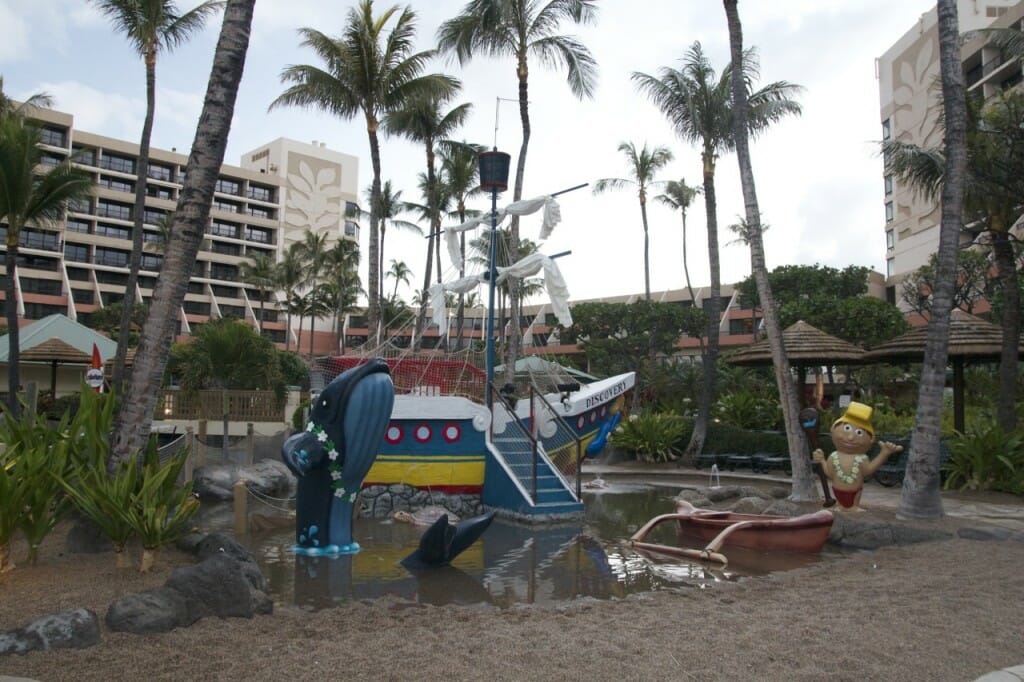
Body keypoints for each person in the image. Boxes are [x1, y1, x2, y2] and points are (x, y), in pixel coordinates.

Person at [812, 402, 903, 511]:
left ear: (871, 440)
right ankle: (841, 505)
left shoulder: (862, 459)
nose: (850, 437)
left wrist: (884, 454)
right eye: (847, 428)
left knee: (853, 507)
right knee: (840, 507)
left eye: (859, 432)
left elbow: (868, 471)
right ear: (833, 430)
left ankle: (854, 506)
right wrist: (822, 461)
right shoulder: (833, 456)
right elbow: (830, 474)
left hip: (855, 493)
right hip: (837, 490)